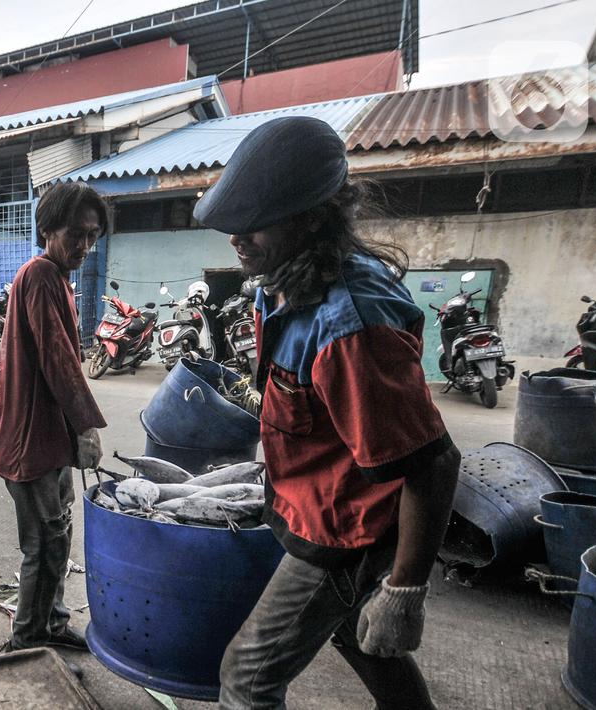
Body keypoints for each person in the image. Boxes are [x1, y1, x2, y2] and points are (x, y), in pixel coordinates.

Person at [191, 116, 462, 709]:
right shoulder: (279, 284)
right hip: (313, 504)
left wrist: (404, 589)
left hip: (346, 533)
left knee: (247, 677)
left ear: (313, 218)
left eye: (254, 223)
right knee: (360, 639)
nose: (236, 237)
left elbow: (433, 464)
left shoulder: (351, 326)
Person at [0, 182, 108, 653]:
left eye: (92, 236)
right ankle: (29, 638)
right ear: (47, 229)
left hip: (45, 437)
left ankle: (52, 622)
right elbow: (59, 360)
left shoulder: (55, 279)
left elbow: (63, 361)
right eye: (75, 234)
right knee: (43, 542)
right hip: (29, 437)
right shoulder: (39, 276)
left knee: (58, 536)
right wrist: (87, 426)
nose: (84, 246)